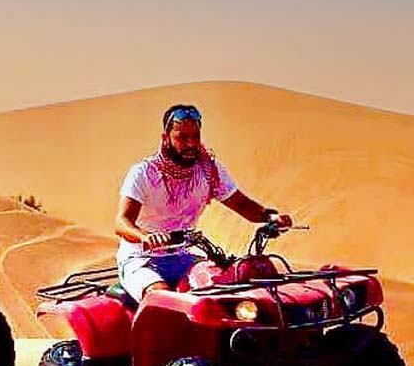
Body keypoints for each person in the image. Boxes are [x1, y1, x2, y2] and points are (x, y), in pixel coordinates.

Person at [114, 104, 292, 302]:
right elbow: (122, 223)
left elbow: (243, 206)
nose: (191, 144)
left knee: (220, 290)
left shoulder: (209, 170)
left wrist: (271, 217)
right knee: (163, 299)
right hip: (141, 259)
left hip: (183, 256)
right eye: (182, 137)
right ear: (166, 138)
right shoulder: (143, 173)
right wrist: (146, 237)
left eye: (195, 136)